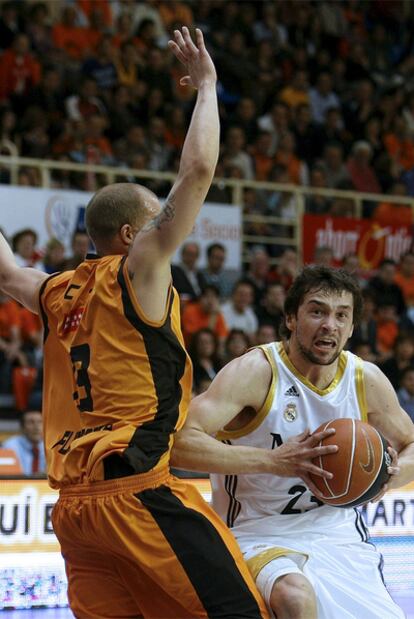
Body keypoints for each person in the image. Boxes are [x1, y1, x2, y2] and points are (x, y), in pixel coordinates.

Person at [172, 265, 413, 619]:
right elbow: (180, 443)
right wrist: (274, 461)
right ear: (290, 318)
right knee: (295, 597)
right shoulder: (256, 371)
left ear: (350, 329)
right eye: (317, 311)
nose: (329, 324)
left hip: (338, 533)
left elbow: (410, 445)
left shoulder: (366, 379)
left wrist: (389, 475)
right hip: (257, 531)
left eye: (341, 316)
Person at [2, 409, 45, 475]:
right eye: (31, 422)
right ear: (22, 427)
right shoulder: (9, 446)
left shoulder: (51, 447)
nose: (36, 427)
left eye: (40, 422)